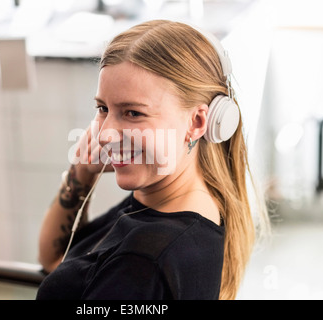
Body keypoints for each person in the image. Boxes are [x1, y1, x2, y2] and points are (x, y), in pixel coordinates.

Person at [36, 20, 267, 300]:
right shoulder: (160, 201)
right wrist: (83, 172)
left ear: (196, 122)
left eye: (133, 113)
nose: (106, 134)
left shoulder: (143, 264)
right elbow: (54, 258)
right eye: (102, 108)